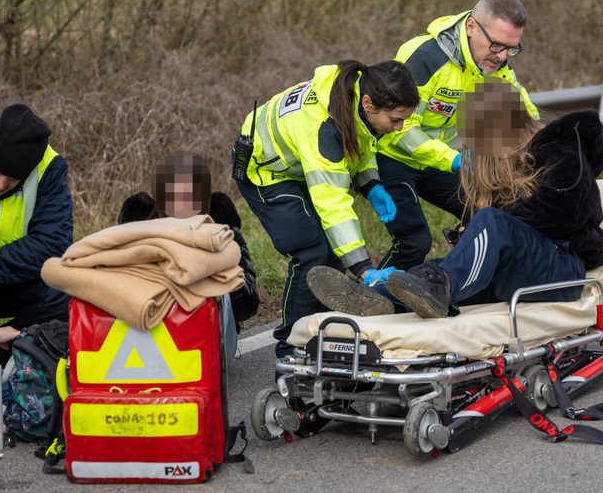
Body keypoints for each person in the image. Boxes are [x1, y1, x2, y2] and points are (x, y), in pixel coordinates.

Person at [307, 78, 603, 319]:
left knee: (480, 233)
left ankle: (434, 290)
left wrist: (489, 225)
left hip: (562, 267)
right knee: (437, 268)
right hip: (523, 268)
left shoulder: (563, 149)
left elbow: (564, 210)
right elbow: (513, 223)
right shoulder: (505, 161)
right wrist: (472, 230)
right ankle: (378, 298)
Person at [232, 59, 420, 358]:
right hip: (266, 173)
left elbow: (359, 147)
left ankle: (324, 333)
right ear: (370, 104)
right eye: (396, 119)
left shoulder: (355, 97)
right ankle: (290, 346)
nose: (399, 127)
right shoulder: (322, 128)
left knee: (333, 253)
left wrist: (370, 184)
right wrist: (364, 268)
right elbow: (333, 203)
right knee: (313, 253)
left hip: (298, 165)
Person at [375, 0, 538, 272]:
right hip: (394, 157)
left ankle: (457, 282)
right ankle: (377, 297)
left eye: (511, 48)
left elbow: (522, 112)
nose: (501, 57)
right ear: (472, 27)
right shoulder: (425, 57)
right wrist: (453, 160)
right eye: (497, 45)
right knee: (415, 241)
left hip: (437, 159)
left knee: (489, 213)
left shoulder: (494, 62)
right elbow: (400, 130)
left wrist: (549, 143)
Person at [117, 151, 260, 355]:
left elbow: (248, 307)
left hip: (211, 341)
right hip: (153, 336)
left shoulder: (224, 231)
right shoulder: (145, 229)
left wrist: (219, 263)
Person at [0, 104, 73, 333]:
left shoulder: (48, 169)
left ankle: (7, 353)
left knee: (66, 287)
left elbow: (52, 246)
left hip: (0, 281)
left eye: (12, 179)